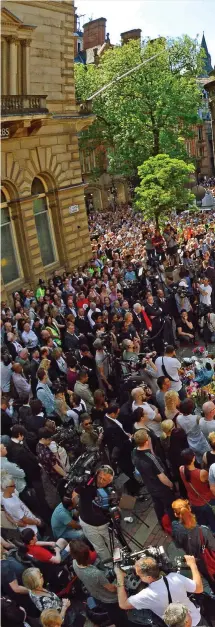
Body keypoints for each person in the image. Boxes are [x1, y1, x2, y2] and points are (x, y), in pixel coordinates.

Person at [114, 554, 202, 626]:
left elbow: (123, 604)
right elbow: (199, 588)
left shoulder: (147, 595)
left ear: (148, 577)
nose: (138, 577)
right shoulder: (175, 577)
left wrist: (120, 578)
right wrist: (193, 564)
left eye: (139, 576)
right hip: (195, 618)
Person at [71, 539, 132, 627]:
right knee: (121, 618)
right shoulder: (95, 574)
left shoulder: (74, 563)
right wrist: (120, 581)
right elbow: (111, 589)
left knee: (113, 614)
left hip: (97, 595)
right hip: (110, 599)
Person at [73, 465, 115, 562]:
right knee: (100, 548)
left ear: (109, 481)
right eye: (100, 477)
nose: (101, 481)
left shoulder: (110, 490)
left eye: (104, 480)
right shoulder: (87, 483)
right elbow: (75, 494)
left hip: (105, 524)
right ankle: (109, 566)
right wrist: (77, 504)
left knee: (114, 544)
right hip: (88, 525)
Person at [171, 498, 215, 591]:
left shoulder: (175, 527)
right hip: (207, 560)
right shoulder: (203, 530)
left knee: (209, 578)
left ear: (176, 514)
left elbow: (178, 545)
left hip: (196, 560)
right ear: (189, 509)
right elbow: (213, 546)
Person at [132, 429, 174, 524]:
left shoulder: (134, 452)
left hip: (149, 486)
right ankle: (174, 524)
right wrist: (170, 484)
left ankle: (161, 521)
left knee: (158, 505)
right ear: (147, 441)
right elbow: (162, 477)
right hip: (161, 487)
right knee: (169, 505)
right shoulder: (152, 459)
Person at [179, 448, 215, 532]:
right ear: (193, 458)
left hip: (193, 502)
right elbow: (211, 483)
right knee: (212, 521)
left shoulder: (181, 469)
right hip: (206, 501)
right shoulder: (201, 473)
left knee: (203, 523)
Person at [177, 399, 210, 464]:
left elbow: (180, 429)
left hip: (190, 441)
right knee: (207, 456)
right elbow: (204, 425)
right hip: (200, 440)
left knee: (199, 459)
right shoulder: (196, 418)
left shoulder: (178, 418)